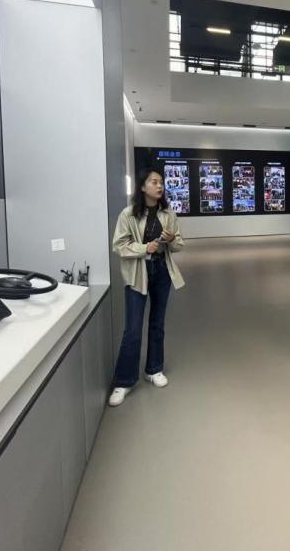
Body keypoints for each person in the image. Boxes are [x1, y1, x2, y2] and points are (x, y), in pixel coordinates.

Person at [108, 168, 186, 407]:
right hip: (138, 273)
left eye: (161, 182)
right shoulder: (128, 214)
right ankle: (124, 381)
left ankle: (154, 369)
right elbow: (118, 245)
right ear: (142, 187)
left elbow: (179, 245)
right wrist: (145, 248)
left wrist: (171, 240)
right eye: (154, 182)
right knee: (132, 329)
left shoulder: (168, 213)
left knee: (157, 324)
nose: (159, 185)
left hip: (161, 271)